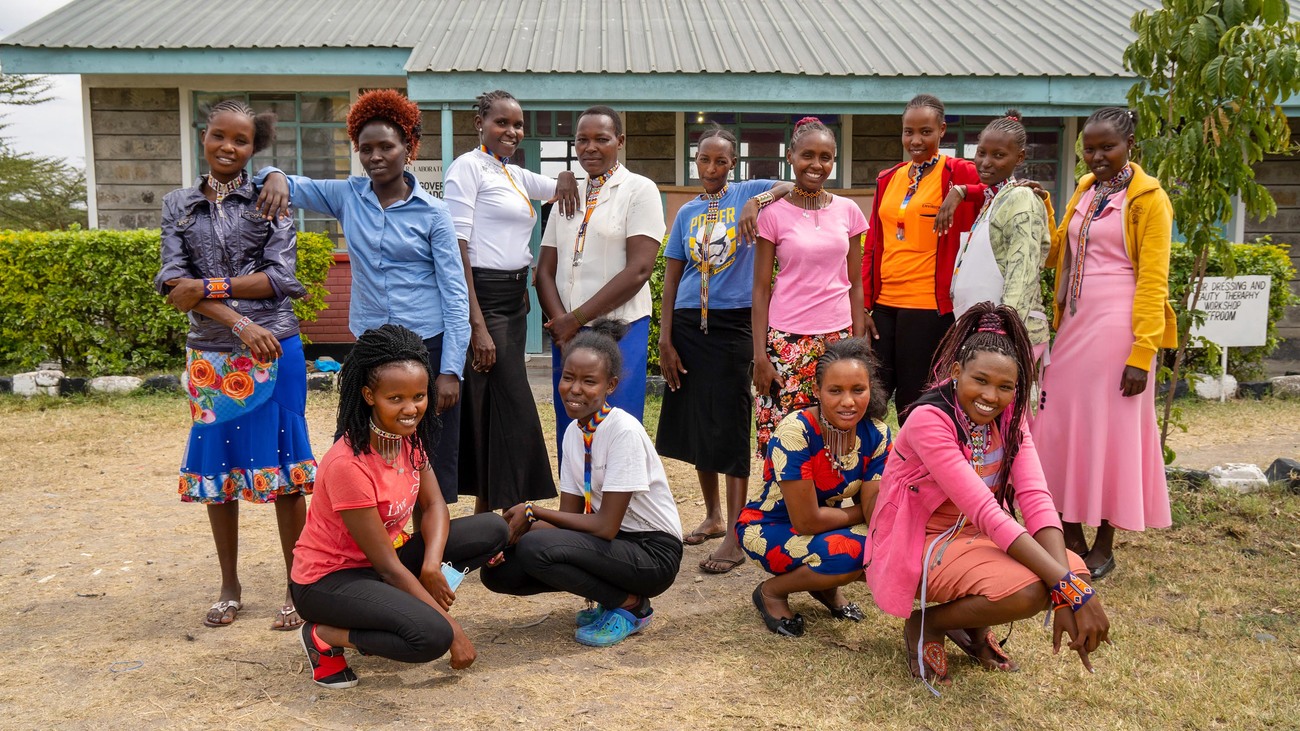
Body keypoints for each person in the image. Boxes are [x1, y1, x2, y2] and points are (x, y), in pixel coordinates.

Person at [865, 304, 1110, 691]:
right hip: (922, 541)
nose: (991, 396)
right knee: (1032, 589)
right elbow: (984, 511)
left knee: (1073, 569)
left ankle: (973, 629)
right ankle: (928, 623)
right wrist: (1069, 589)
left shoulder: (1010, 419)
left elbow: (1035, 498)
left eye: (1005, 387)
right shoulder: (931, 419)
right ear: (956, 371)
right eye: (980, 380)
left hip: (976, 537)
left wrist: (1069, 588)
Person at [255, 89, 469, 504]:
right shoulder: (347, 196)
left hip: (428, 346)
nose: (375, 156)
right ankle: (359, 555)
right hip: (371, 347)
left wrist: (451, 371)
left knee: (431, 461)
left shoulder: (434, 213)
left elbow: (455, 294)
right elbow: (283, 183)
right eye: (365, 148)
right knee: (352, 447)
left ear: (408, 148)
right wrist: (276, 175)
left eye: (386, 146)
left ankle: (436, 562)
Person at [155, 99, 315, 631]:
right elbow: (174, 285)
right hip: (214, 353)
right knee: (217, 472)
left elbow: (282, 277)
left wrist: (209, 287)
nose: (228, 147)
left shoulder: (271, 197)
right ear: (205, 136)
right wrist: (241, 324)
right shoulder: (178, 204)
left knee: (287, 474)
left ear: (254, 147)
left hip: (279, 348)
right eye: (219, 136)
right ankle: (230, 584)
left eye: (241, 140)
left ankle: (299, 585)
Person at [290, 325, 509, 689]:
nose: (411, 409)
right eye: (396, 399)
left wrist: (430, 564)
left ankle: (385, 613)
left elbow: (435, 504)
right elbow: (389, 568)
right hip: (329, 582)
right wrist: (454, 632)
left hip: (382, 567)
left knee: (493, 529)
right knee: (432, 636)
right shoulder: (349, 464)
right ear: (368, 395)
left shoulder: (408, 439)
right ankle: (324, 634)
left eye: (420, 396)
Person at [1031, 107, 1177, 580]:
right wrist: (1046, 207)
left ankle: (1105, 542)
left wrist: (1143, 353)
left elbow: (1155, 281)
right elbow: (1059, 252)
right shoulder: (1085, 190)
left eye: (1106, 147)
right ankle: (1069, 534)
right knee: (1057, 422)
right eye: (1089, 148)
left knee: (1112, 433)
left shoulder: (1150, 200)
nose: (1096, 156)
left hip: (1121, 328)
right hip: (1075, 324)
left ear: (1130, 144)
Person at [482, 319, 684, 648]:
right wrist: (509, 537)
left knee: (536, 548)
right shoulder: (574, 434)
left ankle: (630, 604)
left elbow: (604, 526)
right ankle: (613, 598)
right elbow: (570, 518)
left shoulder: (624, 432)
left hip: (652, 554)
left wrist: (533, 510)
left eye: (589, 381)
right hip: (614, 545)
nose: (575, 389)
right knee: (500, 571)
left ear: (611, 385)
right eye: (568, 378)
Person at [657, 125, 792, 573]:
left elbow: (791, 184)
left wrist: (759, 201)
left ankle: (736, 532)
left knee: (731, 423)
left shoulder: (747, 193)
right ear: (696, 161)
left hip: (735, 325)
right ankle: (714, 516)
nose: (711, 168)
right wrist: (667, 336)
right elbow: (673, 275)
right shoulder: (687, 212)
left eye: (720, 161)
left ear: (732, 164)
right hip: (690, 324)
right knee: (699, 421)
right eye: (704, 160)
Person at [444, 89, 579, 513]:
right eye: (502, 122)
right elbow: (456, 249)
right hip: (480, 300)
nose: (512, 131)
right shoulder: (466, 169)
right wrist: (476, 325)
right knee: (508, 407)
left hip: (512, 302)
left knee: (495, 410)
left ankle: (492, 520)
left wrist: (571, 175)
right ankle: (498, 518)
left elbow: (558, 187)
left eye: (518, 124)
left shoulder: (514, 175)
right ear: (479, 124)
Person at [535, 105, 666, 457]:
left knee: (616, 426)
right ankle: (574, 507)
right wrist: (565, 328)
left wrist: (574, 320)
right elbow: (544, 271)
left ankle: (614, 511)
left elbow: (639, 270)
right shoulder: (569, 191)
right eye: (582, 140)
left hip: (620, 330)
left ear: (619, 142)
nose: (590, 147)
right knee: (571, 425)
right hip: (570, 337)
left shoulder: (640, 190)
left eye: (601, 139)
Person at [738, 338, 890, 637]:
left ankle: (824, 587)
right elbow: (806, 520)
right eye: (836, 391)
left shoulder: (877, 434)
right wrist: (862, 513)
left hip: (826, 523)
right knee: (851, 553)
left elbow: (876, 515)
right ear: (818, 391)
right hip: (771, 524)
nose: (848, 402)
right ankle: (771, 592)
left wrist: (871, 516)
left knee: (877, 544)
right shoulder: (796, 432)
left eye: (858, 390)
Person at [751, 116, 867, 458]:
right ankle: (787, 507)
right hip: (787, 340)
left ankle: (831, 503)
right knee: (788, 435)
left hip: (839, 340)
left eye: (825, 157)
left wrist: (858, 344)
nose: (816, 165)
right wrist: (759, 356)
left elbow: (855, 283)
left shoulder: (849, 211)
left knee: (840, 429)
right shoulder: (772, 214)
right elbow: (760, 289)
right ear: (791, 156)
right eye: (807, 155)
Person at [862, 94, 981, 422]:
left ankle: (917, 471)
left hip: (928, 308)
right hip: (884, 307)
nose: (915, 140)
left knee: (915, 403)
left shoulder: (958, 172)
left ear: (942, 130)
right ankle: (874, 469)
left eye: (925, 131)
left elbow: (997, 187)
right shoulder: (889, 179)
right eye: (908, 131)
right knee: (871, 395)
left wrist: (961, 192)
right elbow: (874, 244)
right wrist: (863, 303)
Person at [943, 110, 1052, 355]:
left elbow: (1021, 275)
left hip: (1006, 338)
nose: (986, 162)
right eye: (981, 152)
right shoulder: (994, 199)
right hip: (983, 334)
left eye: (999, 155)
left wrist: (1003, 333)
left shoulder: (1021, 199)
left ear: (1020, 157)